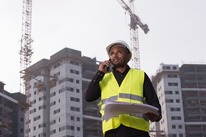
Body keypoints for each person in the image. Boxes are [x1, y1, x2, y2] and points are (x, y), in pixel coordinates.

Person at [85, 40, 162, 137]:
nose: (115, 55)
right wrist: (100, 72)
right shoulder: (104, 78)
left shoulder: (140, 75)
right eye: (112, 53)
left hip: (138, 131)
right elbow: (89, 97)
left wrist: (156, 115)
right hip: (112, 132)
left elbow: (154, 103)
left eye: (119, 52)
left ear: (128, 55)